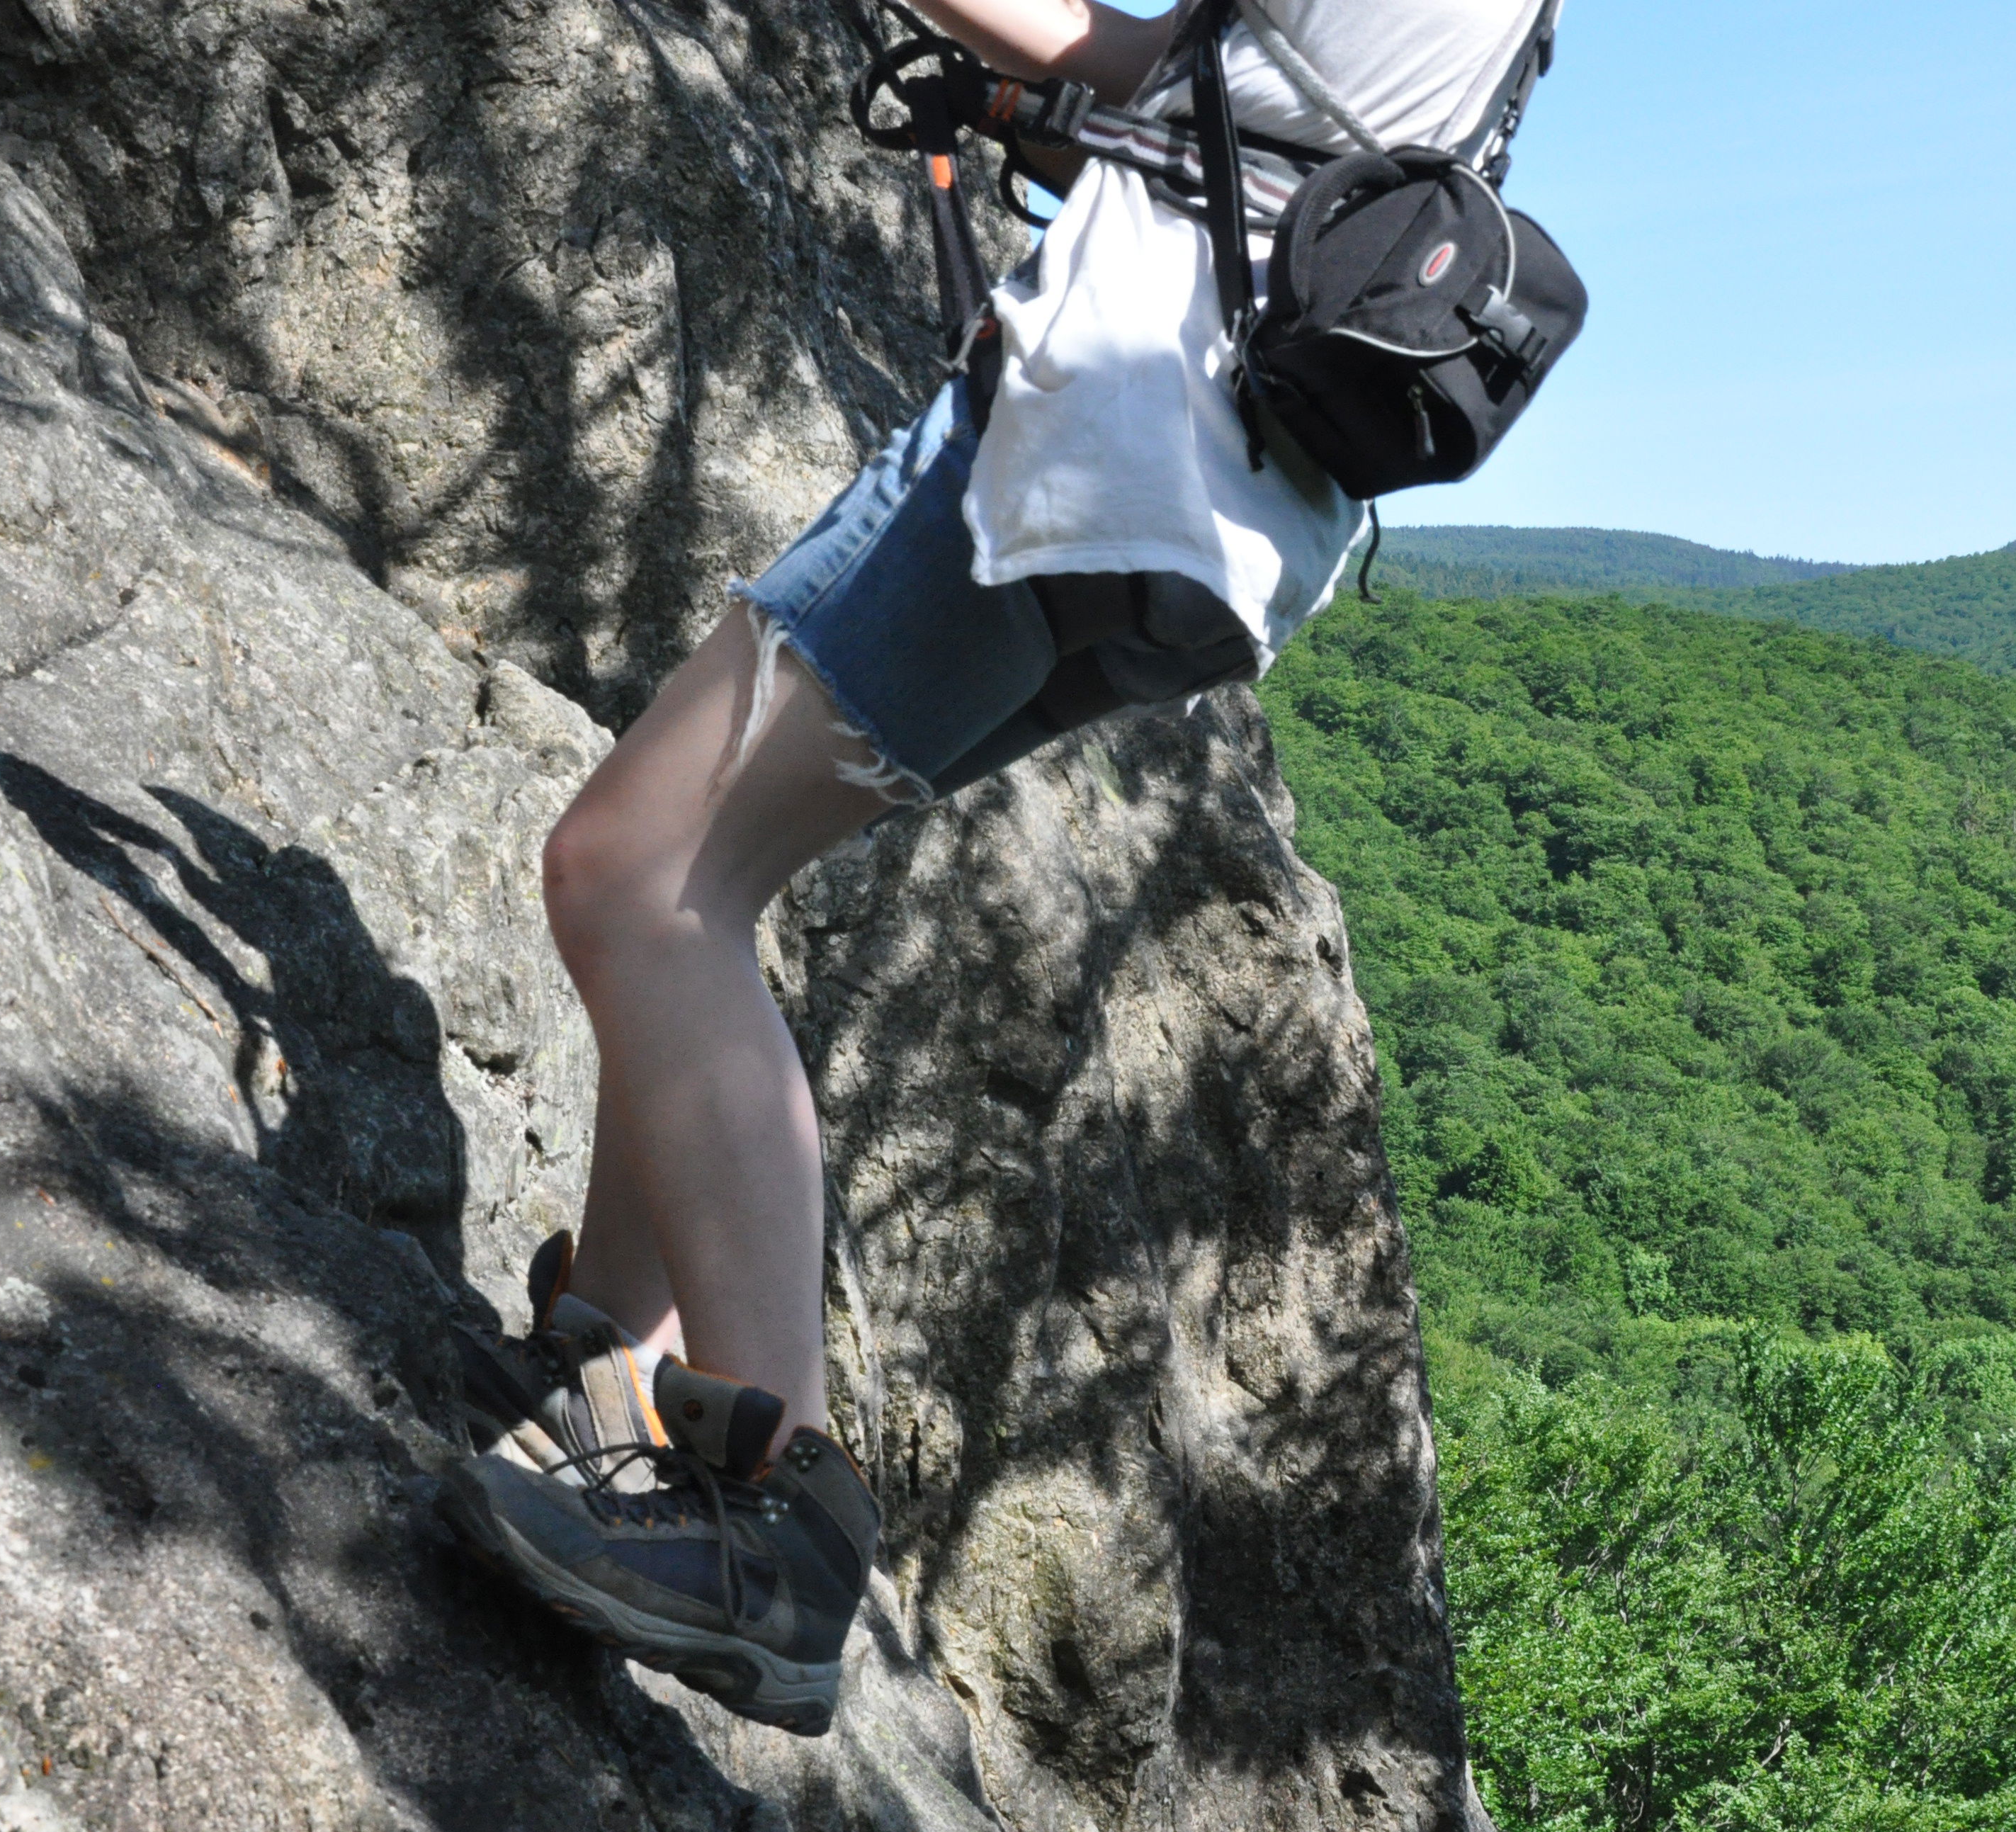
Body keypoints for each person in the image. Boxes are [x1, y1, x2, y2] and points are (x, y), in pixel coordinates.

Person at [434, 0, 1557, 1735]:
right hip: (1220, 519)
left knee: (630, 874)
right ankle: (607, 1365)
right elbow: (1210, 84)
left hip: (1094, 431)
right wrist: (1057, 92)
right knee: (707, 870)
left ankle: (767, 1512)